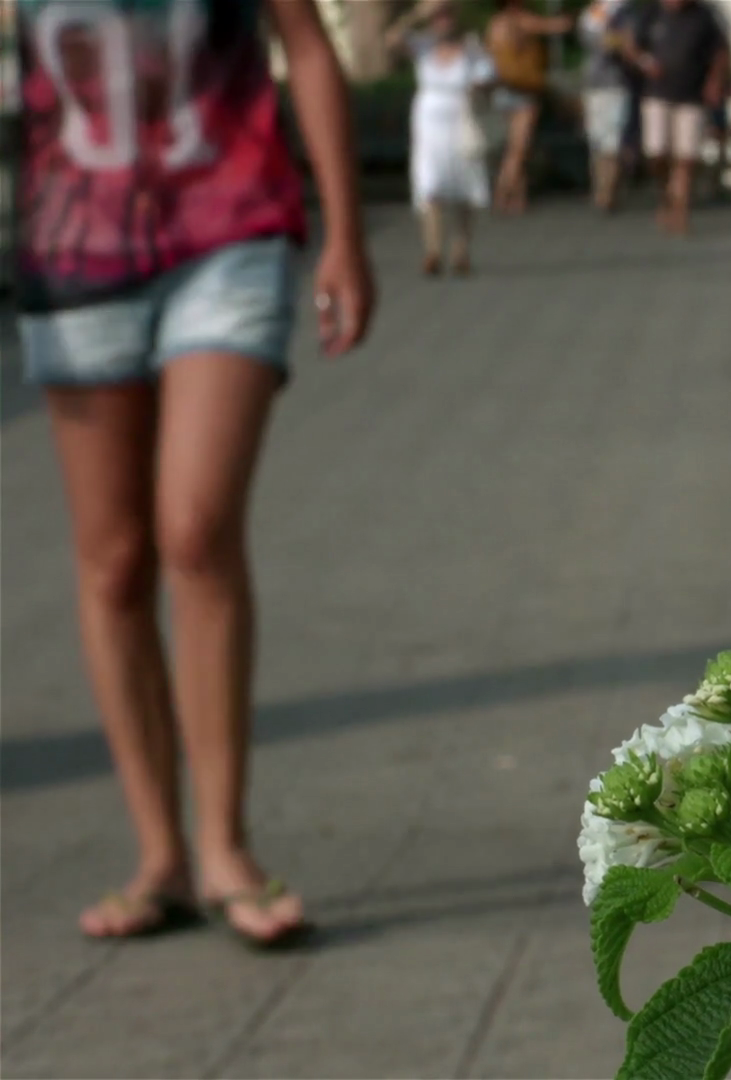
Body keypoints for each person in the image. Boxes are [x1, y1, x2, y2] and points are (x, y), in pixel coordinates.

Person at [13, 0, 375, 945]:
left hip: (231, 229)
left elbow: (306, 46)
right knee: (115, 562)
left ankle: (223, 846)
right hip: (73, 245)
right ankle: (159, 856)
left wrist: (346, 230)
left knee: (196, 528)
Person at [389, 0, 495, 274]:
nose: (443, 20)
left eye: (447, 14)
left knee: (464, 186)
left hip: (462, 120)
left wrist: (480, 87)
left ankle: (461, 250)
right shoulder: (422, 44)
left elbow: (489, 79)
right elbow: (391, 40)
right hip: (429, 124)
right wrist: (416, 14)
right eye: (438, 15)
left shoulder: (472, 48)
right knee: (430, 185)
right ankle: (433, 251)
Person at [633, 0, 728, 234]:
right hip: (657, 93)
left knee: (686, 157)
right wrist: (645, 62)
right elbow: (632, 44)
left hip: (692, 95)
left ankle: (681, 211)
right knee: (657, 152)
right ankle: (665, 196)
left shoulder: (703, 16)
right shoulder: (651, 13)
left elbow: (720, 52)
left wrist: (715, 82)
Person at [486, 0, 572, 215]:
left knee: (517, 147)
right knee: (518, 149)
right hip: (523, 91)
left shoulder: (494, 23)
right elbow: (556, 26)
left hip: (503, 89)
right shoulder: (521, 20)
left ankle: (518, 198)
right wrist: (567, 17)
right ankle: (502, 195)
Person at [577, 0, 639, 213]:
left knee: (611, 142)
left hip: (615, 84)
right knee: (597, 141)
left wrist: (614, 40)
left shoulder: (623, 11)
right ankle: (602, 190)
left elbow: (627, 43)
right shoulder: (595, 11)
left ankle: (607, 193)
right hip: (595, 83)